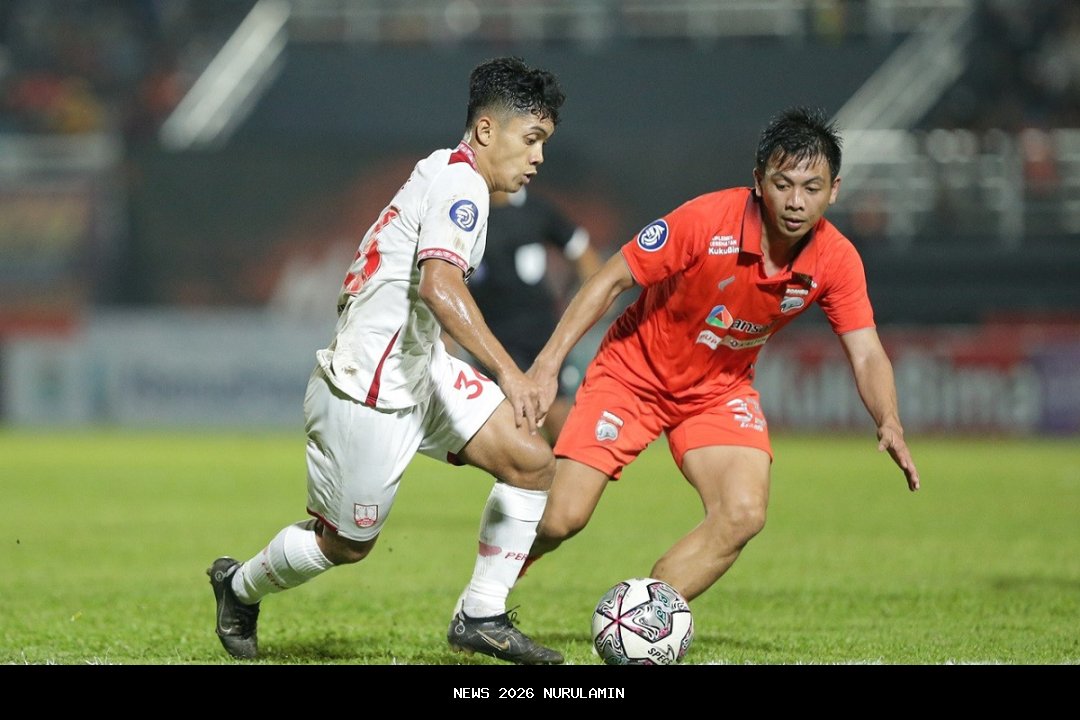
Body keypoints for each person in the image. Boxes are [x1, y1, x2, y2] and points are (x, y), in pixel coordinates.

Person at [207, 56, 566, 665]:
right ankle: (238, 586)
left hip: (417, 369)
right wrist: (509, 371)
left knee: (531, 462)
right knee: (346, 546)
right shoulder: (461, 185)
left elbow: (415, 287)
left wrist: (446, 350)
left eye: (544, 143)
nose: (537, 157)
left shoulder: (444, 170)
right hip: (368, 391)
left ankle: (481, 615)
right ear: (486, 131)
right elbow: (438, 287)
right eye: (530, 139)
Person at [522, 106, 921, 604]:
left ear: (834, 190)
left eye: (812, 188)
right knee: (562, 518)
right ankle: (489, 584)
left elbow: (866, 353)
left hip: (718, 392)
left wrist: (889, 419)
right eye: (783, 184)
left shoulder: (836, 259)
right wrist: (548, 364)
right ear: (758, 181)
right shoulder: (707, 220)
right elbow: (612, 278)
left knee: (743, 512)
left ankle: (643, 619)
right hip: (632, 375)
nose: (796, 202)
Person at [456, 187, 603, 443]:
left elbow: (584, 255)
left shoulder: (537, 210)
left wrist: (581, 308)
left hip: (540, 334)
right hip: (491, 340)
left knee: (561, 424)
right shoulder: (469, 213)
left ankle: (567, 480)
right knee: (510, 433)